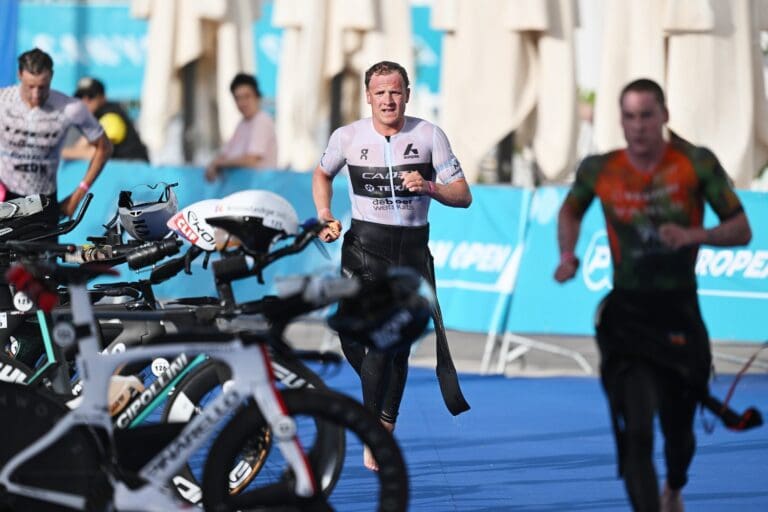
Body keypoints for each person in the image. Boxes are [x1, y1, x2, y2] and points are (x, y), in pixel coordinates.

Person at [554, 78, 752, 512]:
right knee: (638, 431)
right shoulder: (599, 169)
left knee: (679, 434)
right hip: (626, 316)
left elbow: (742, 228)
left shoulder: (695, 164)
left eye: (647, 115)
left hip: (679, 311)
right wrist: (568, 254)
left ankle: (675, 487)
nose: (638, 126)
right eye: (629, 116)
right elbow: (570, 209)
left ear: (664, 116)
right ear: (620, 121)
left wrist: (693, 234)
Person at [312, 60, 472, 471]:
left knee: (389, 345)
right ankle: (380, 413)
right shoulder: (347, 136)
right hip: (363, 246)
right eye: (380, 92)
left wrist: (431, 186)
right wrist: (325, 214)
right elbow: (322, 173)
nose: (388, 99)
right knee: (353, 339)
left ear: (407, 95)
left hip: (410, 250)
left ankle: (378, 429)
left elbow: (463, 194)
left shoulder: (429, 135)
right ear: (368, 96)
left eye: (395, 92)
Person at [0, 48, 112, 221]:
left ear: (51, 76)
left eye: (42, 87)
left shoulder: (70, 108)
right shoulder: (3, 100)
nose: (36, 94)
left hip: (42, 202)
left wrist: (78, 194)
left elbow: (104, 148)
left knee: (45, 249)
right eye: (30, 87)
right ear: (20, 74)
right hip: (5, 197)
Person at [205, 73, 277, 182]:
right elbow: (225, 153)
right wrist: (214, 164)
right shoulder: (242, 124)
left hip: (258, 191)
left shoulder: (262, 121)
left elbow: (251, 160)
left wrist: (219, 163)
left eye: (247, 96)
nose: (242, 103)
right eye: (238, 98)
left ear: (257, 96)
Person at [62, 76, 149, 162]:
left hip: (134, 171)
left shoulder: (111, 117)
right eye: (80, 96)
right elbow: (80, 147)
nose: (85, 100)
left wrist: (58, 153)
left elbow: (94, 154)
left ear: (103, 98)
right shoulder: (93, 119)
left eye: (91, 96)